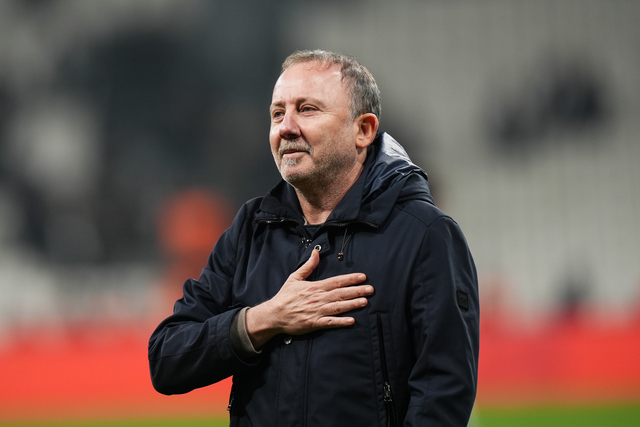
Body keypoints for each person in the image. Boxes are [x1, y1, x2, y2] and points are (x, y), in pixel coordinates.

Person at [148, 49, 479, 426]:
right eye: (277, 113)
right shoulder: (251, 231)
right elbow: (166, 359)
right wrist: (264, 319)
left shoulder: (424, 234)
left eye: (307, 109)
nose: (286, 127)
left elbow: (443, 393)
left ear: (363, 130)